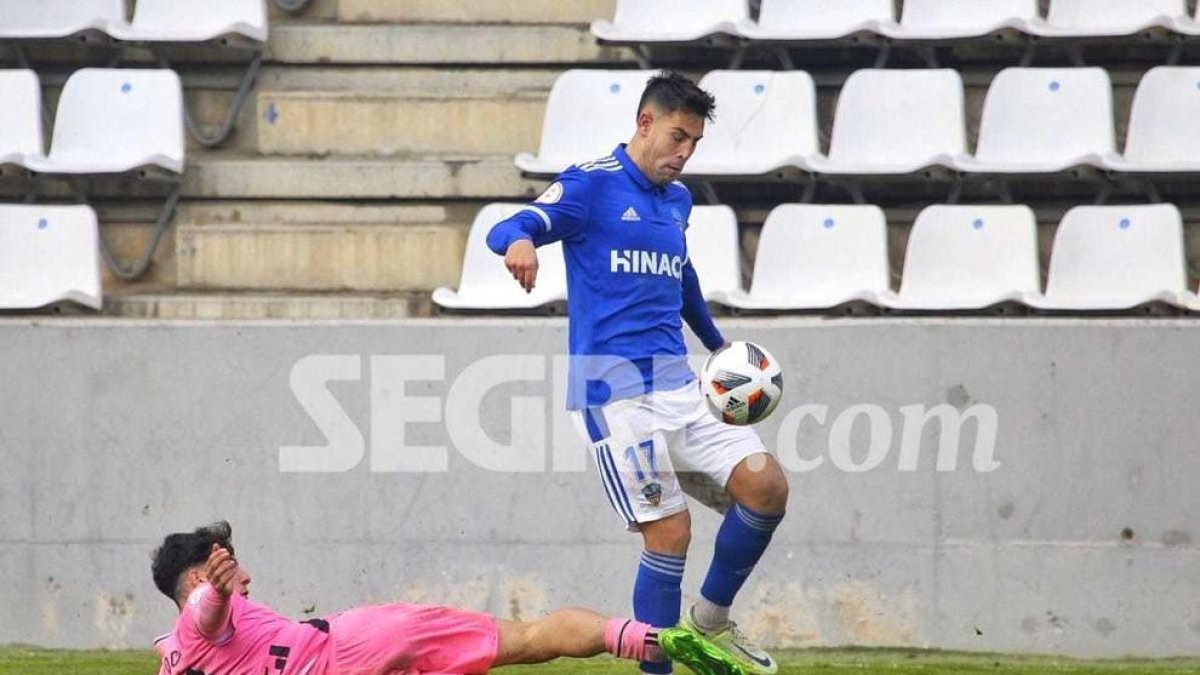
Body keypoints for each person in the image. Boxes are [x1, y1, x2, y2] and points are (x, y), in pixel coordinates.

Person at [485, 72, 789, 675]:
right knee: (669, 533)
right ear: (645, 123)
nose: (684, 153)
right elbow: (511, 225)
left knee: (766, 488)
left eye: (695, 143)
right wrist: (518, 245)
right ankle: (658, 671)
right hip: (613, 395)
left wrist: (719, 348)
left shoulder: (677, 201)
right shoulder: (589, 185)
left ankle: (711, 623)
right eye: (678, 136)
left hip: (680, 388)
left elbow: (684, 279)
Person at [151, 521, 746, 675]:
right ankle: (661, 639)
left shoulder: (176, 650)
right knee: (534, 640)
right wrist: (218, 593)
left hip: (354, 649)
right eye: (229, 566)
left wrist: (218, 595)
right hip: (364, 640)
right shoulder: (204, 616)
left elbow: (198, 625)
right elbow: (206, 612)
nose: (244, 577)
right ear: (203, 575)